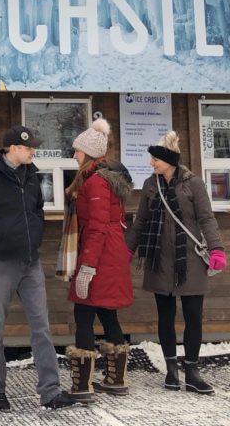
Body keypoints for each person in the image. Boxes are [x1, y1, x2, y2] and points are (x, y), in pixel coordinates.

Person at [0, 125, 76, 411]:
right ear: (13, 148)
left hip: (30, 261)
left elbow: (37, 208)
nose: (33, 150)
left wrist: (35, 231)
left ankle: (51, 392)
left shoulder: (31, 174)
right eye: (29, 147)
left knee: (42, 328)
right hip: (0, 263)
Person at [125, 130, 225, 395]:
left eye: (155, 159)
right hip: (159, 259)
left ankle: (192, 372)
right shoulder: (150, 184)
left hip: (189, 260)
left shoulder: (194, 184)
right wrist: (126, 250)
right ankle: (171, 371)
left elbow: (207, 219)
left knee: (193, 317)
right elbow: (141, 222)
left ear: (169, 159)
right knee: (165, 317)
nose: (151, 163)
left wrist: (216, 249)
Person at [62, 118, 134, 402]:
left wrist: (87, 267)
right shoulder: (105, 178)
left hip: (100, 257)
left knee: (84, 314)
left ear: (89, 153)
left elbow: (97, 227)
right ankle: (115, 380)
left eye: (77, 151)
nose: (74, 155)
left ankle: (82, 386)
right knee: (107, 312)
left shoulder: (95, 183)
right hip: (110, 255)